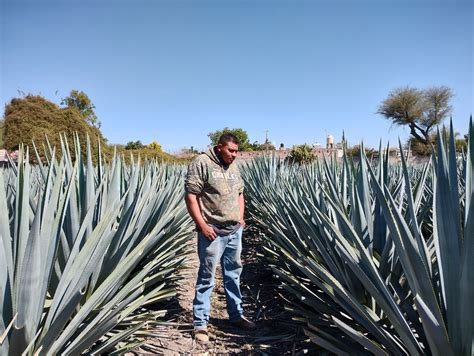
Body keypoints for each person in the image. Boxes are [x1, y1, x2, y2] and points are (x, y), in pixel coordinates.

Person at [184, 133, 256, 344]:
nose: (234, 155)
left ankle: (236, 316)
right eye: (230, 151)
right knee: (207, 277)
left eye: (236, 151)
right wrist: (202, 225)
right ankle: (200, 324)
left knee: (233, 274)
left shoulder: (233, 165)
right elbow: (191, 196)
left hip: (234, 231)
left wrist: (241, 218)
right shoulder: (202, 162)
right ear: (219, 148)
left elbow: (240, 193)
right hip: (212, 231)